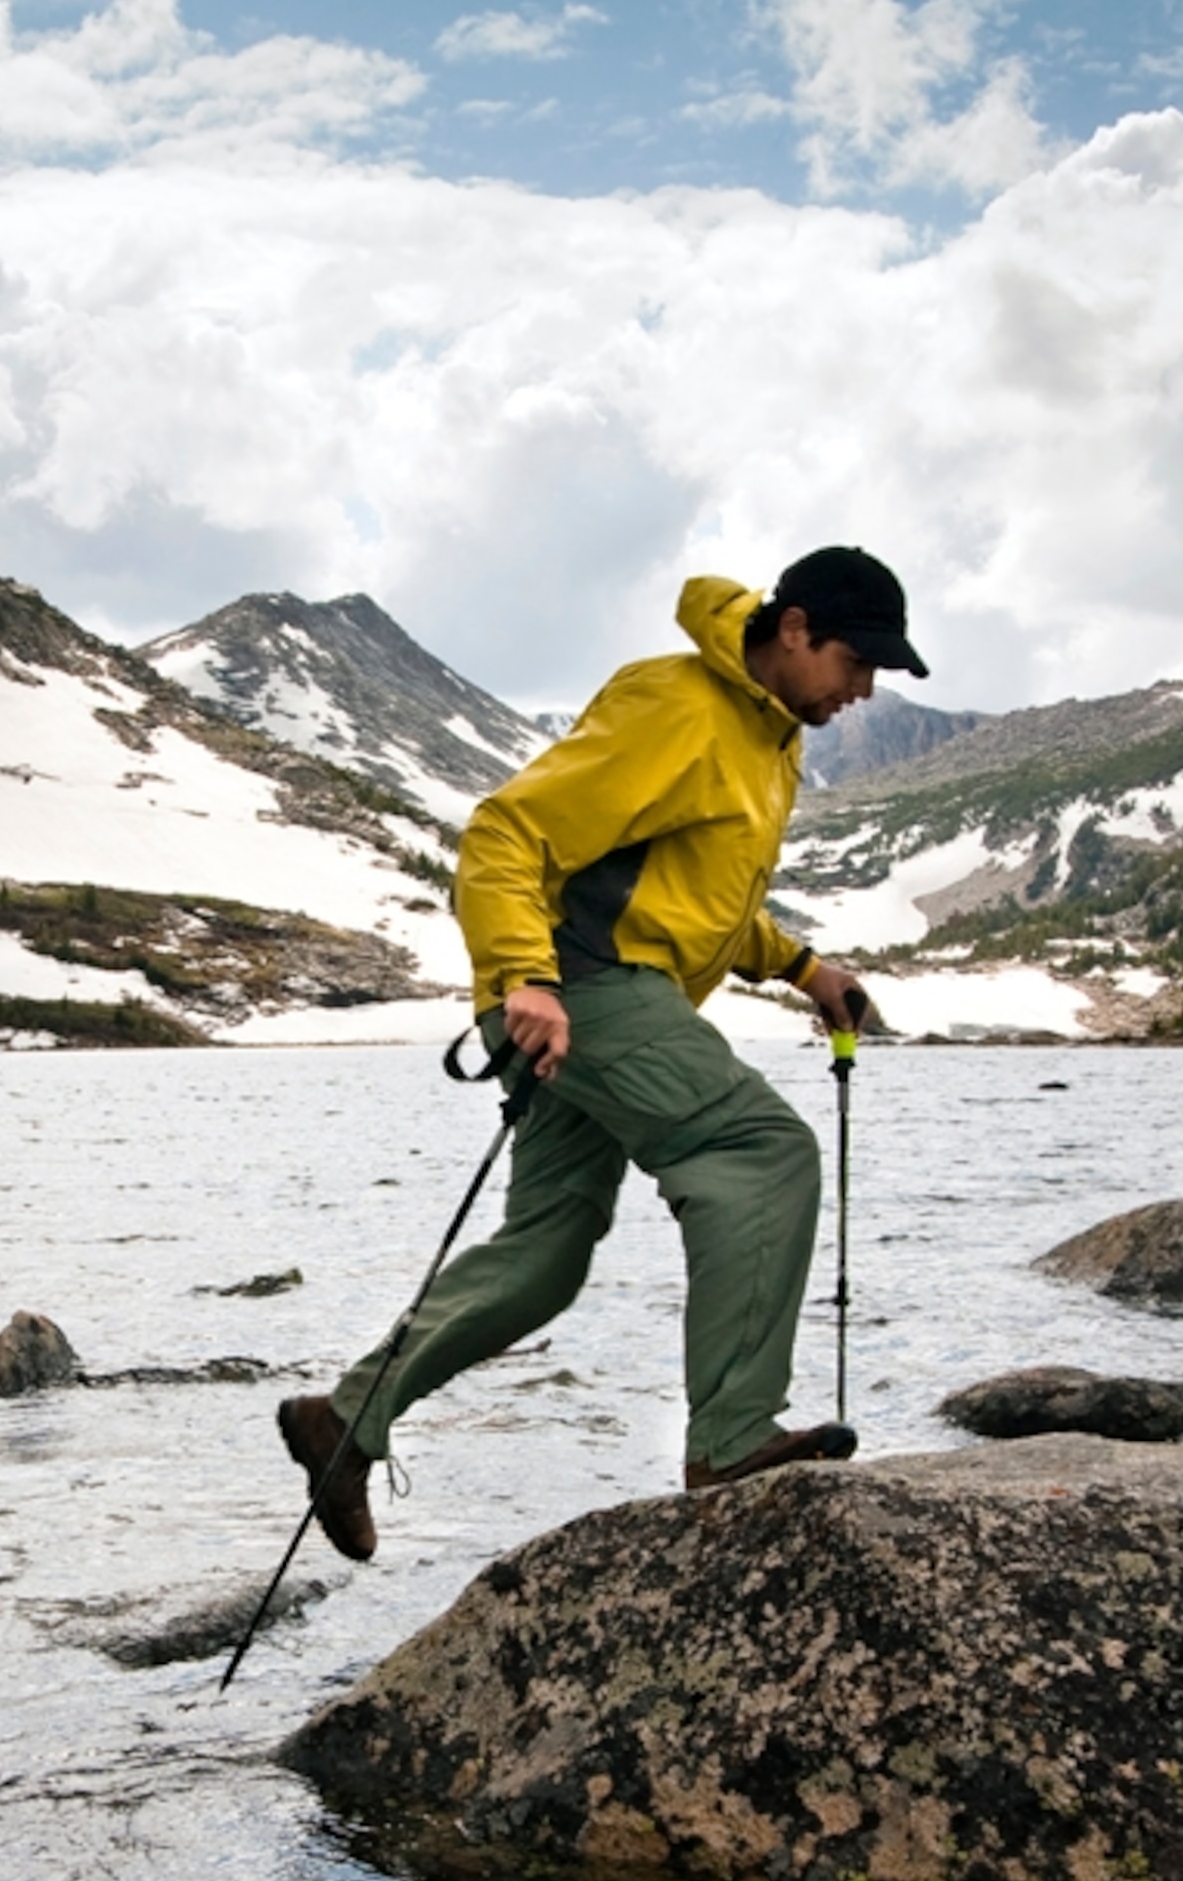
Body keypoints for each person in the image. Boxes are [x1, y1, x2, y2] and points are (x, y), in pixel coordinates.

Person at [276, 545, 923, 1559]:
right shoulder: (679, 707)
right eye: (857, 661)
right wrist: (524, 977)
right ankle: (732, 1440)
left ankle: (343, 1421)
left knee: (545, 1254)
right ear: (795, 629)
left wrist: (803, 968)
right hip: (578, 988)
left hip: (599, 993)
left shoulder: (767, 739)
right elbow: (506, 835)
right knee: (761, 1151)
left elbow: (686, 899)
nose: (865, 688)